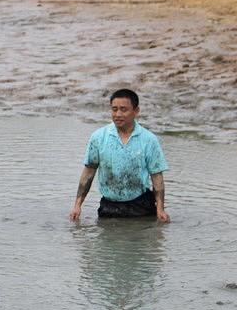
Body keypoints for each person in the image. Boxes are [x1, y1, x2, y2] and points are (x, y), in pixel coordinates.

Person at [69, 89, 170, 222]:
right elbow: (88, 173)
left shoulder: (149, 139)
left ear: (136, 111)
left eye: (123, 109)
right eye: (114, 109)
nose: (118, 114)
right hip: (109, 206)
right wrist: (77, 205)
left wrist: (160, 209)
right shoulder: (99, 137)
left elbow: (156, 176)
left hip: (141, 206)